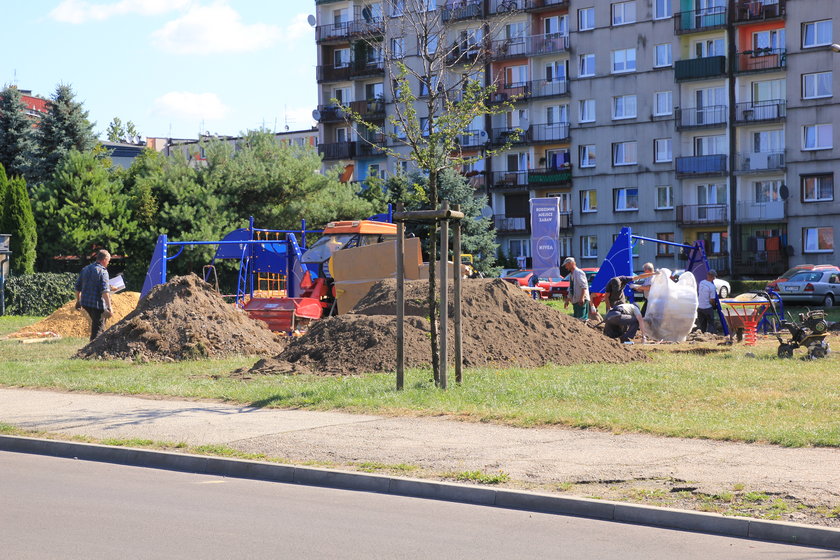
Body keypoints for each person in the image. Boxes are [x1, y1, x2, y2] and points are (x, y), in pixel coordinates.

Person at [75, 250, 112, 341]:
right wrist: (109, 307)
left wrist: (78, 301)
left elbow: (77, 288)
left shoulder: (85, 269)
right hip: (97, 305)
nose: (108, 263)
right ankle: (91, 351)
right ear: (104, 259)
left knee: (97, 325)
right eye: (108, 261)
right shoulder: (103, 272)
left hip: (86, 303)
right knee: (98, 330)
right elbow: (104, 292)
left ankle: (98, 346)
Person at [697, 269, 718, 334]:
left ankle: (703, 335)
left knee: (702, 324)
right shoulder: (712, 287)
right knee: (711, 323)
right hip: (707, 307)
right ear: (713, 277)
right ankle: (711, 335)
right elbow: (712, 300)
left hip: (700, 307)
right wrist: (714, 306)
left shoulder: (701, 282)